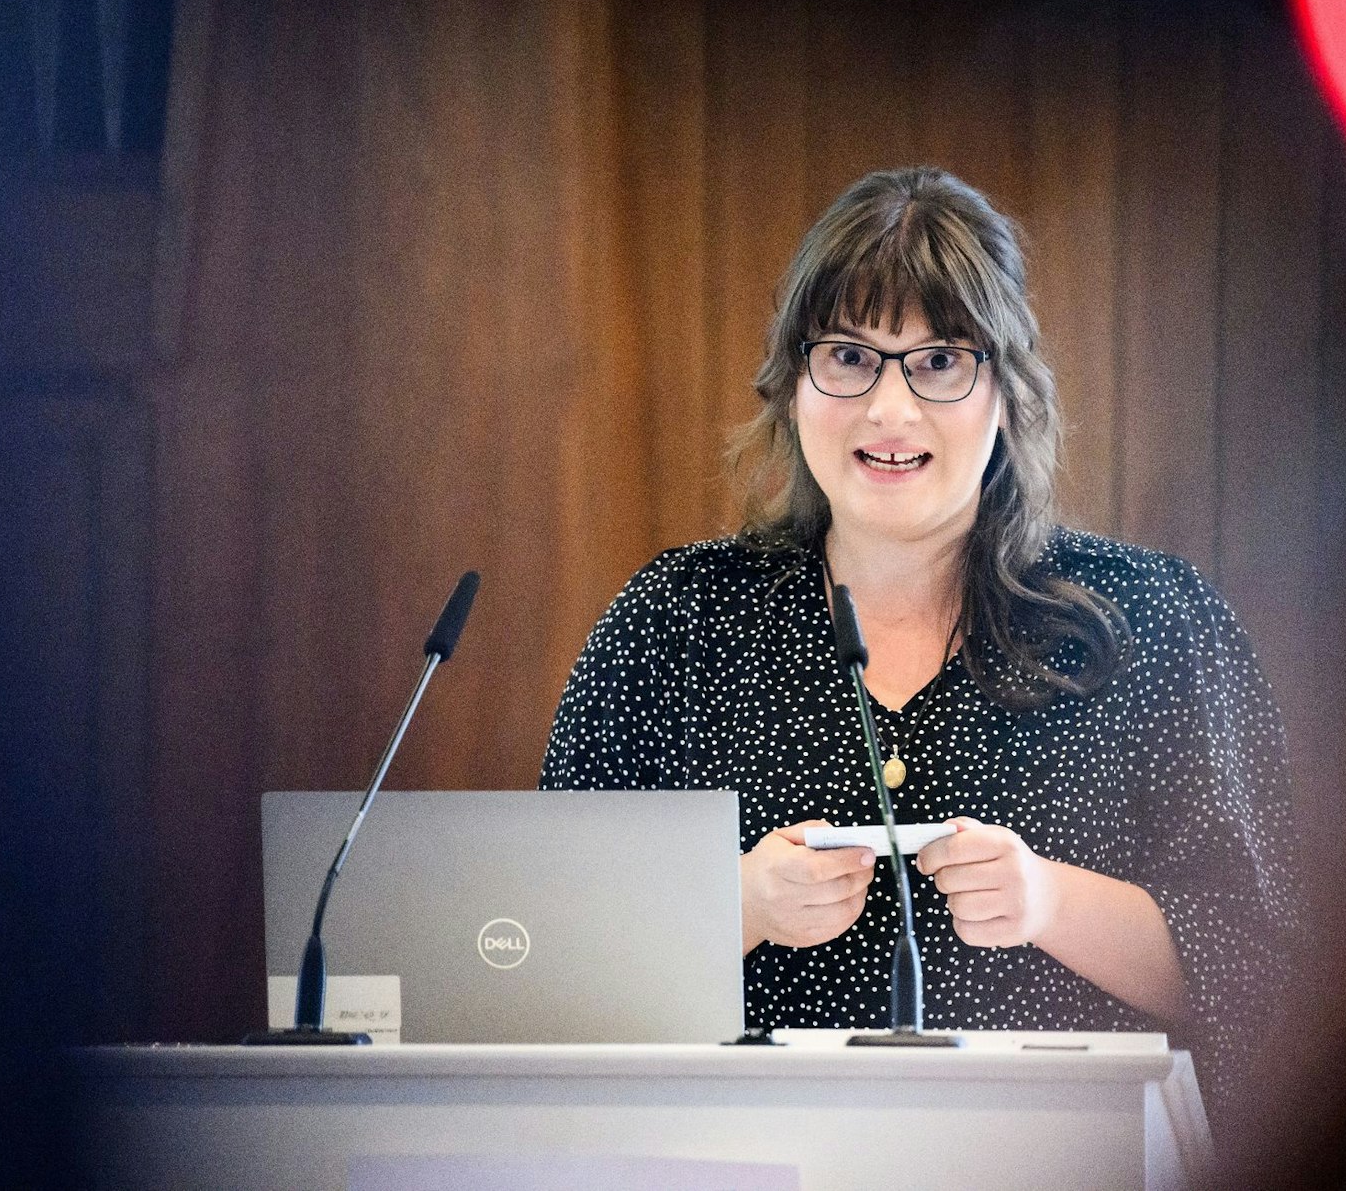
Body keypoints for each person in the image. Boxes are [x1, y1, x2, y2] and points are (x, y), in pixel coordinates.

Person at [541, 166, 1299, 1117]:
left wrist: (1050, 903)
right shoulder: (677, 622)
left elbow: (1268, 977)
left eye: (940, 360)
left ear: (1008, 392)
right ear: (792, 384)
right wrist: (739, 906)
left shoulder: (1150, 620)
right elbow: (541, 960)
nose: (889, 411)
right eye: (850, 357)